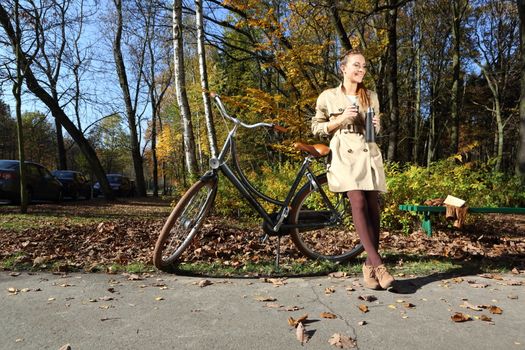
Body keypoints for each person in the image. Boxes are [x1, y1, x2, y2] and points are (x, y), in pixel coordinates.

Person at [311, 49, 394, 290]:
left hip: (367, 150)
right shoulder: (328, 96)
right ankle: (379, 264)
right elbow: (317, 127)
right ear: (343, 68)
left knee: (373, 208)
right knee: (357, 201)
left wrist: (375, 126)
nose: (361, 70)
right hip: (344, 152)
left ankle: (368, 267)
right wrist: (339, 120)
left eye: (364, 67)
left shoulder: (371, 96)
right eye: (356, 65)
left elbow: (371, 134)